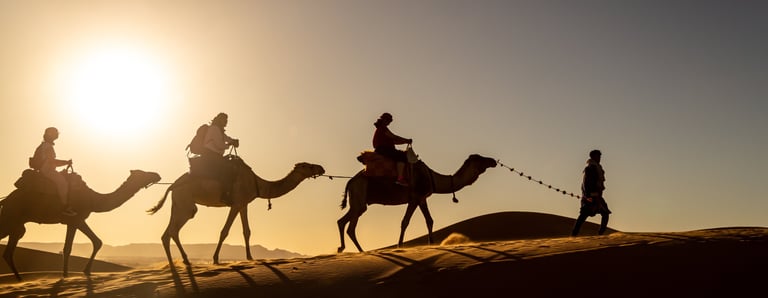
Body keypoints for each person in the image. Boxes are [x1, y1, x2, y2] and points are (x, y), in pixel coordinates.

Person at [32, 127, 77, 216]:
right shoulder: (48, 147)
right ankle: (65, 207)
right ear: (51, 135)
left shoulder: (44, 145)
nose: (57, 135)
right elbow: (52, 162)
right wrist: (66, 162)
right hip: (47, 171)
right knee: (63, 183)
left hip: (46, 169)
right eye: (55, 133)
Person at [199, 113, 239, 204]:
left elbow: (226, 138)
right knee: (227, 171)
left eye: (226, 120)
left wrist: (232, 141)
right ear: (220, 120)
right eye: (225, 120)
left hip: (215, 156)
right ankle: (225, 195)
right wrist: (229, 144)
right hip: (211, 157)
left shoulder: (219, 130)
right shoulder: (214, 129)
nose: (226, 122)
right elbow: (220, 145)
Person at [572, 149, 611, 236]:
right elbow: (586, 183)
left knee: (605, 213)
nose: (600, 158)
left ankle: (600, 234)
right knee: (583, 216)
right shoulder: (590, 168)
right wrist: (589, 195)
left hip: (597, 196)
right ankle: (574, 235)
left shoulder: (597, 168)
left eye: (600, 156)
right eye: (598, 156)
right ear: (593, 157)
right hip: (590, 196)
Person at [372, 112, 412, 186]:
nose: (389, 123)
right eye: (388, 121)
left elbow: (394, 141)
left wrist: (405, 142)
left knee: (399, 154)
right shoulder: (383, 128)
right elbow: (394, 137)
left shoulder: (381, 129)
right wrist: (406, 140)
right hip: (383, 149)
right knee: (402, 156)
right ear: (384, 120)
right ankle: (400, 178)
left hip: (383, 149)